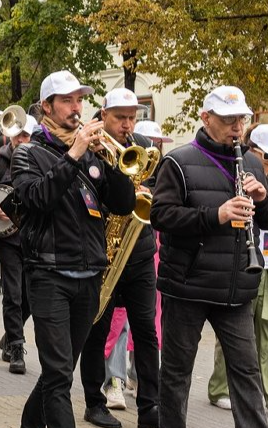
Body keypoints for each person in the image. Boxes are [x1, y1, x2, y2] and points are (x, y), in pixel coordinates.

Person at [152, 86, 268, 428]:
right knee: (177, 374)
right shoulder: (178, 161)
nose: (236, 127)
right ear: (206, 118)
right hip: (187, 286)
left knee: (247, 374)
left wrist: (264, 199)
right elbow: (161, 216)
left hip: (235, 288)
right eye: (227, 120)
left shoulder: (252, 161)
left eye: (240, 119)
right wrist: (216, 215)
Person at [13, 70, 136, 428]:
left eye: (79, 100)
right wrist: (74, 153)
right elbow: (36, 198)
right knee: (58, 376)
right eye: (67, 100)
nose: (76, 107)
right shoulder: (29, 153)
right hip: (49, 274)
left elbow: (124, 204)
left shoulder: (94, 154)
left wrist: (112, 166)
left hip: (89, 276)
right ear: (46, 106)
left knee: (60, 370)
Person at [206, 123, 268, 416]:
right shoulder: (235, 174)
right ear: (251, 151)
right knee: (236, 334)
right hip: (243, 262)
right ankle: (220, 389)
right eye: (267, 156)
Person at [78, 88, 161, 428]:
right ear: (103, 115)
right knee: (96, 331)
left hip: (138, 251)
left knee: (146, 332)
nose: (127, 124)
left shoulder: (142, 145)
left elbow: (156, 189)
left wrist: (146, 190)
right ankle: (94, 403)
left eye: (132, 117)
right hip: (103, 251)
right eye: (120, 118)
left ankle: (151, 406)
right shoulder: (88, 146)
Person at [0, 115, 37, 375]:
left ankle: (9, 336)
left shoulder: (39, 161)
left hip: (33, 237)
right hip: (7, 238)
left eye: (26, 135)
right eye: (18, 135)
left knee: (30, 296)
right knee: (14, 294)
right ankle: (16, 348)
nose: (22, 140)